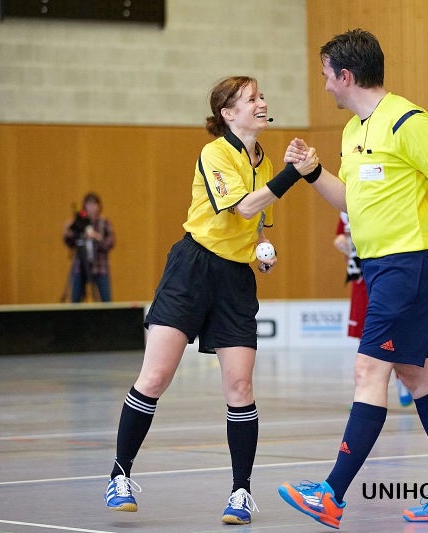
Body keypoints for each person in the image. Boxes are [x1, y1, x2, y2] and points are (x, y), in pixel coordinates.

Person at [278, 29, 428, 528]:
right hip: (379, 266)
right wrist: (312, 172)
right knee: (418, 374)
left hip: (408, 262)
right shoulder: (353, 132)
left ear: (346, 76)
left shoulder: (408, 121)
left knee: (369, 373)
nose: (325, 86)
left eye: (327, 76)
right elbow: (351, 200)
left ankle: (332, 492)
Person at [103, 76, 320, 525]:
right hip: (192, 269)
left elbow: (256, 220)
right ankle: (119, 474)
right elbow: (240, 207)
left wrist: (263, 249)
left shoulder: (265, 159)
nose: (262, 103)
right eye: (251, 99)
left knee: (240, 389)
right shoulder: (215, 153)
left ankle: (240, 493)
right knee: (156, 376)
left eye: (262, 97)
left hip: (235, 280)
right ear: (227, 113)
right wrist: (293, 176)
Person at [334, 212, 412, 407]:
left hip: (385, 273)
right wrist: (341, 242)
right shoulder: (345, 209)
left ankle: (401, 377)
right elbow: (341, 236)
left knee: (391, 333)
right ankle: (365, 389)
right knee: (365, 334)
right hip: (361, 278)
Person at [63, 192, 115, 302]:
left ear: (99, 206)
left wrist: (96, 237)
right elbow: (70, 243)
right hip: (80, 267)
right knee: (75, 301)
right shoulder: (79, 223)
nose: (91, 207)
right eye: (89, 204)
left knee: (107, 301)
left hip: (100, 267)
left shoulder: (104, 223)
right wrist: (68, 232)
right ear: (84, 206)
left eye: (94, 204)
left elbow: (110, 242)